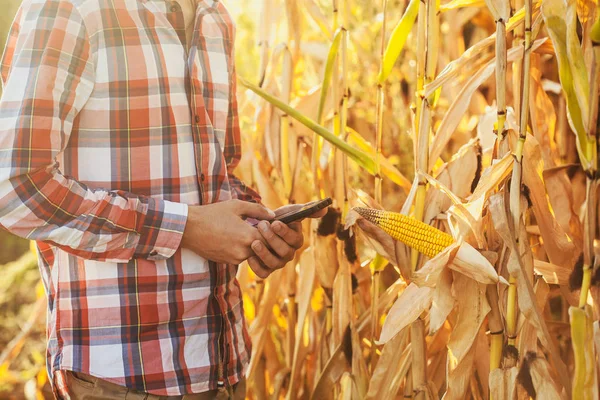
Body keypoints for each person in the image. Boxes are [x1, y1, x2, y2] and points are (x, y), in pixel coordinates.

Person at [0, 0, 325, 398]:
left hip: (224, 365)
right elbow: (16, 188)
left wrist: (260, 228)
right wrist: (185, 228)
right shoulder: (69, 10)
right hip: (122, 377)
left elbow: (217, 174)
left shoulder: (214, 17)